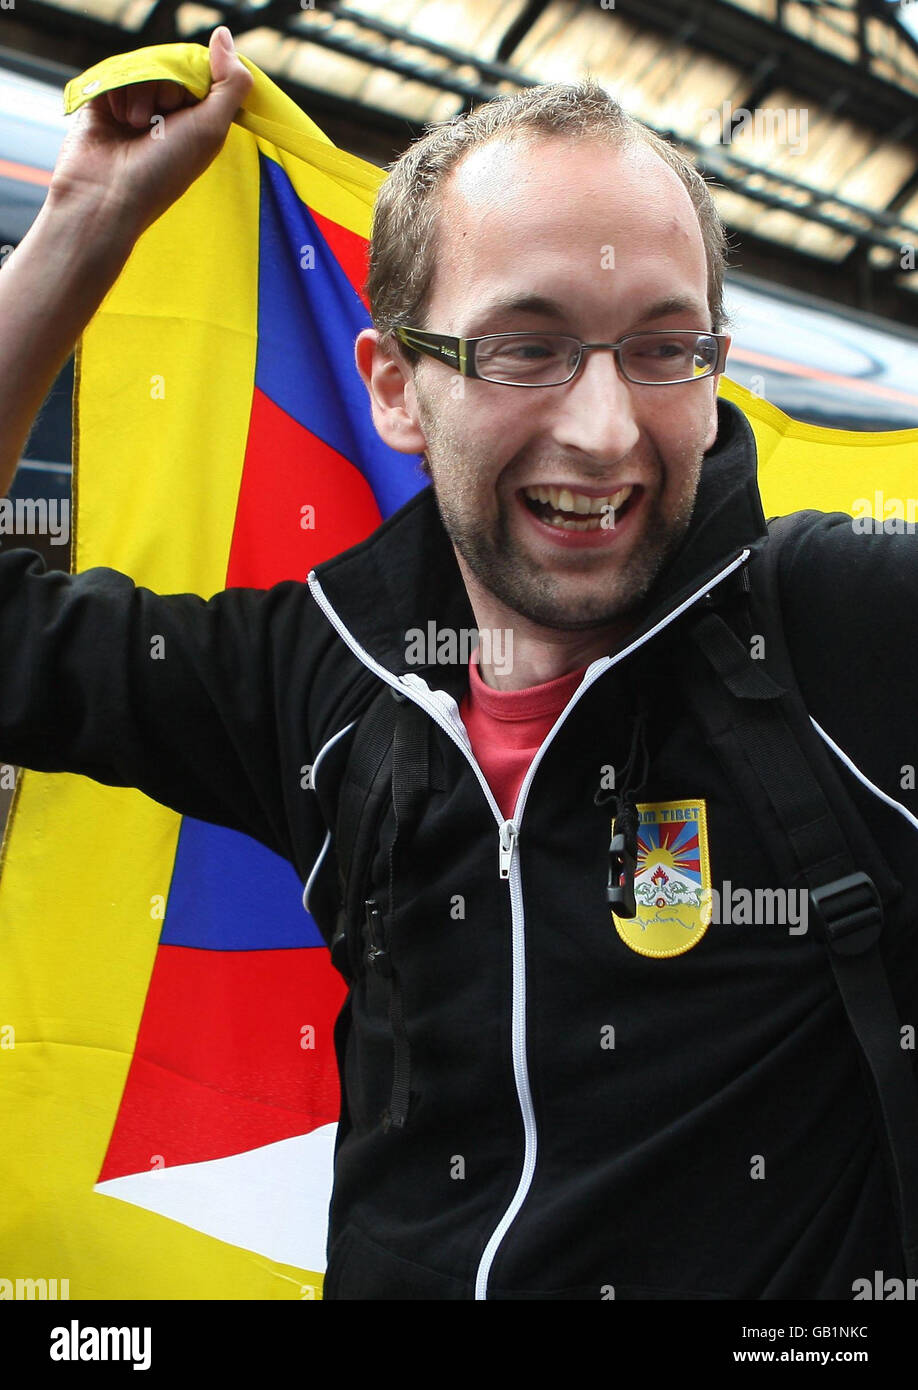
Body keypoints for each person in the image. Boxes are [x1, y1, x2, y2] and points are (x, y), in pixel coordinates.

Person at [2, 25, 917, 1301]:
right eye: (524, 347)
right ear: (393, 388)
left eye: (663, 347)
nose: (603, 433)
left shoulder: (847, 629)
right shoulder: (314, 677)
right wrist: (86, 222)